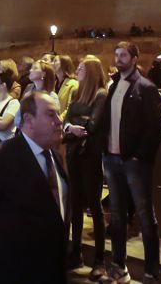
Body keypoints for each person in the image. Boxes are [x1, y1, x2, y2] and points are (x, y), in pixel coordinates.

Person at [0, 92, 70, 284]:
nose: (60, 120)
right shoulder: (1, 156)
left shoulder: (56, 158)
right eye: (51, 114)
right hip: (10, 273)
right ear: (28, 119)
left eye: (59, 114)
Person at [97, 41, 161, 284]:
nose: (118, 58)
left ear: (134, 58)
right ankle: (118, 266)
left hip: (134, 161)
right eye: (116, 54)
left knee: (146, 216)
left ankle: (151, 271)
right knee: (116, 216)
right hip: (113, 159)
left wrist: (139, 155)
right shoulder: (114, 85)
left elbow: (155, 126)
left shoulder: (146, 87)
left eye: (123, 55)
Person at [63, 55, 109, 279]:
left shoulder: (101, 94)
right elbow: (67, 121)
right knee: (75, 204)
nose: (77, 70)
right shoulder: (76, 93)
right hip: (73, 153)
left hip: (90, 156)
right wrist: (73, 126)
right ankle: (76, 252)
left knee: (94, 204)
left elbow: (92, 124)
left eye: (81, 68)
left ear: (90, 71)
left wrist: (76, 124)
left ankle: (100, 259)